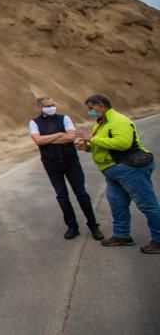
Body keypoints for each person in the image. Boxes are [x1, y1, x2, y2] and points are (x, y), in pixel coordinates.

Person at [75, 94, 159, 254]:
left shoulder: (119, 121)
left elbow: (123, 143)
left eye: (91, 109)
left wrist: (92, 140)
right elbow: (102, 144)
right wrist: (88, 147)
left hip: (130, 168)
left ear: (101, 106)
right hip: (113, 171)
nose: (90, 112)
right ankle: (122, 235)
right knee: (117, 204)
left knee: (148, 204)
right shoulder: (100, 123)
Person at [29, 96, 104, 240]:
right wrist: (58, 134)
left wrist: (48, 140)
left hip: (71, 162)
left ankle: (93, 226)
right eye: (48, 106)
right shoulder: (34, 123)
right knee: (62, 197)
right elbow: (38, 141)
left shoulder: (65, 118)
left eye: (53, 105)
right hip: (51, 164)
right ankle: (72, 227)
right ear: (40, 108)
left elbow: (70, 137)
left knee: (82, 194)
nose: (52, 107)